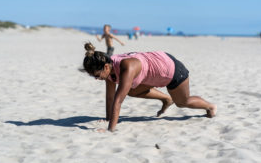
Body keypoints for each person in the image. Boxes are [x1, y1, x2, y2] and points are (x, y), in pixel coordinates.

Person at [82, 43, 217, 132]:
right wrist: (107, 119)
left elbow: (118, 100)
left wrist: (110, 130)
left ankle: (210, 106)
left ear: (106, 67)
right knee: (131, 91)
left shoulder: (126, 67)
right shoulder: (109, 70)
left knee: (182, 102)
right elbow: (110, 97)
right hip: (158, 68)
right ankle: (166, 100)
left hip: (172, 70)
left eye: (97, 75)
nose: (96, 79)